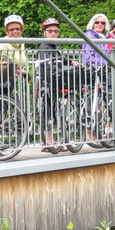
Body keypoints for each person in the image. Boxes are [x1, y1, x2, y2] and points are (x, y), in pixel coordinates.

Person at [38, 17, 71, 153]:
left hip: (52, 82)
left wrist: (71, 62)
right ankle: (48, 142)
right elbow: (47, 65)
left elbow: (60, 59)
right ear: (45, 32)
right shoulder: (45, 47)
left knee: (50, 111)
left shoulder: (53, 47)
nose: (53, 33)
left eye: (56, 31)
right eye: (50, 31)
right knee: (48, 112)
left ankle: (47, 141)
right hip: (48, 83)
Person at [0, 14, 29, 92]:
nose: (15, 31)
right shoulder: (3, 44)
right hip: (0, 81)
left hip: (11, 79)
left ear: (22, 30)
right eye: (11, 29)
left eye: (17, 29)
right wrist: (24, 72)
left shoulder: (21, 43)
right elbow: (5, 66)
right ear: (7, 32)